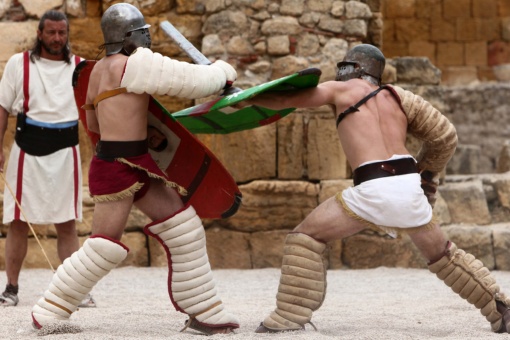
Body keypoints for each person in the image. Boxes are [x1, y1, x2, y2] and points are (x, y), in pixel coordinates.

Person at [244, 44, 510, 334]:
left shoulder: (341, 90)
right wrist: (426, 176)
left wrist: (241, 100)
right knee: (444, 255)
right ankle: (502, 310)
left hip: (373, 189)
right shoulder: (400, 98)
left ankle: (288, 317)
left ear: (353, 68)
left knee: (305, 237)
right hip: (409, 187)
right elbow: (445, 136)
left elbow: (287, 100)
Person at [30, 3, 239, 335]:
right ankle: (51, 309)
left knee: (183, 227)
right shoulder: (134, 64)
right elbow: (191, 81)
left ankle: (204, 312)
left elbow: (97, 122)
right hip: (117, 168)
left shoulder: (96, 70)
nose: (146, 39)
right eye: (142, 33)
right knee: (105, 245)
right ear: (129, 36)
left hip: (131, 162)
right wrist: (224, 71)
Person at [0, 10, 95, 309]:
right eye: (51, 32)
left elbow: (93, 113)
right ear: (40, 33)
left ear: (67, 34)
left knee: (67, 222)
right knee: (17, 221)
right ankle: (11, 288)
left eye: (62, 33)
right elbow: (2, 107)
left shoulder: (80, 68)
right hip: (26, 149)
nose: (56, 38)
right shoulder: (19, 64)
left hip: (66, 151)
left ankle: (74, 289)